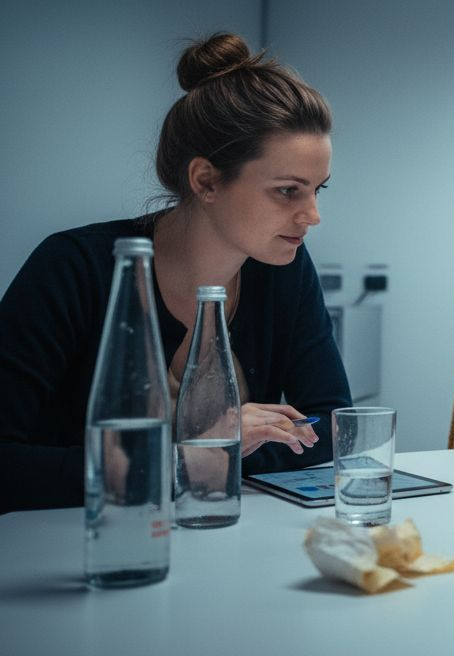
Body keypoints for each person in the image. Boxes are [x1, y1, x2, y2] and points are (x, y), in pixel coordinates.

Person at [0, 32, 352, 513]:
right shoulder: (75, 268)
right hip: (78, 553)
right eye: (289, 191)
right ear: (206, 181)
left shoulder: (283, 270)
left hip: (219, 543)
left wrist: (213, 458)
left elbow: (331, 427)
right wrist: (189, 461)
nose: (312, 216)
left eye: (318, 190)